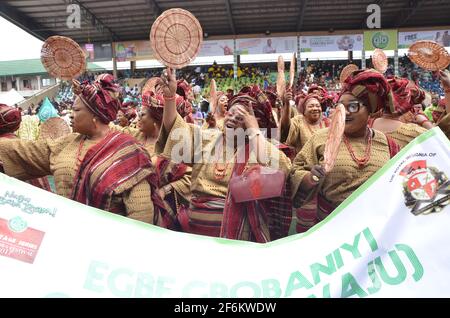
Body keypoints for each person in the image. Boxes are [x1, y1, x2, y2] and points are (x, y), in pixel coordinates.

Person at [0, 74, 164, 224]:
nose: (71, 114)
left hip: (110, 240)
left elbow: (141, 212)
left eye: (76, 110)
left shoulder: (128, 150)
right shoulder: (67, 143)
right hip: (69, 231)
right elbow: (26, 151)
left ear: (94, 115)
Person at [156, 68, 292, 242]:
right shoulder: (207, 138)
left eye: (241, 116)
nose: (233, 118)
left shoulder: (259, 147)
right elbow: (175, 128)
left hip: (240, 240)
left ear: (253, 123)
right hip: (196, 235)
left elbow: (281, 169)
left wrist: (254, 132)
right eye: (231, 112)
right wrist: (169, 98)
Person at [290, 69, 401, 228]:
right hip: (332, 228)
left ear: (369, 110)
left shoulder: (387, 143)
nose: (345, 112)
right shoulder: (322, 138)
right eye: (340, 106)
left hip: (377, 229)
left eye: (353, 106)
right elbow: (296, 171)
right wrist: (311, 177)